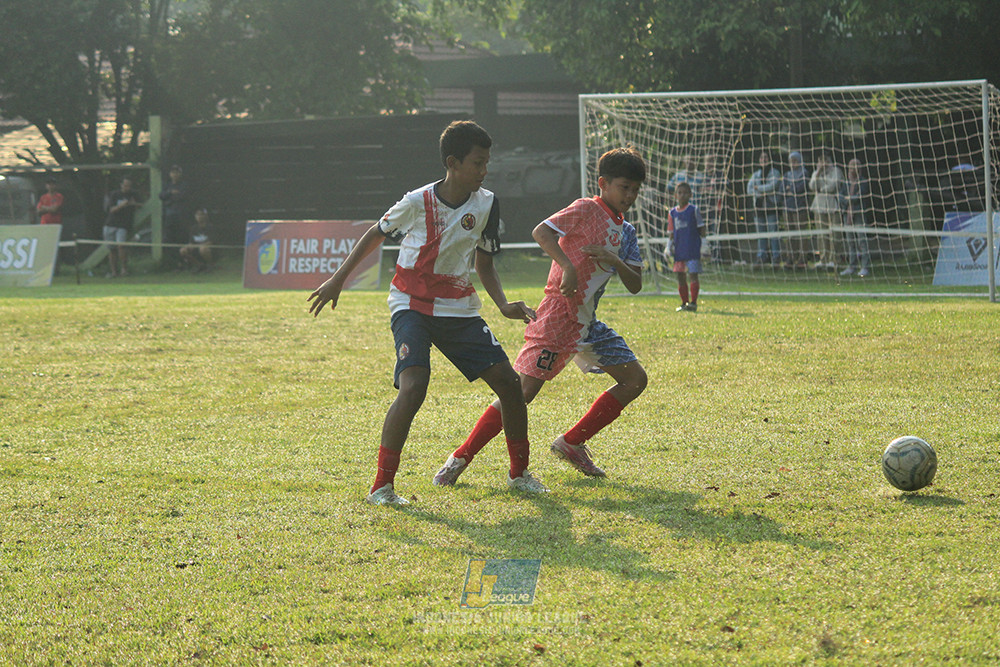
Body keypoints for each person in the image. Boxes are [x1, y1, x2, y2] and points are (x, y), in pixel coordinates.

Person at [308, 120, 545, 506]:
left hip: (458, 308)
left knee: (509, 384)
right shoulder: (418, 201)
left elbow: (484, 263)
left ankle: (520, 474)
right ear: (452, 162)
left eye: (487, 163)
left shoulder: (486, 202)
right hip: (411, 304)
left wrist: (503, 304)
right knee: (414, 386)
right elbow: (375, 233)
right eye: (478, 163)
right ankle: (381, 487)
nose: (484, 171)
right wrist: (338, 280)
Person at [433, 147, 648, 483]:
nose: (630, 195)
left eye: (635, 190)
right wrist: (567, 266)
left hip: (588, 326)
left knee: (635, 380)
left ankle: (572, 443)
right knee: (519, 396)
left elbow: (635, 283)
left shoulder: (628, 233)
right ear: (603, 183)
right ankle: (459, 459)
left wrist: (613, 259)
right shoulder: (586, 209)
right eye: (624, 188)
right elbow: (541, 232)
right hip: (557, 320)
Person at [667, 181, 707, 312]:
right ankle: (684, 303)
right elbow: (671, 233)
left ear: (690, 195)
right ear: (675, 195)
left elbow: (701, 229)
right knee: (680, 276)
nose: (682, 195)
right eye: (680, 193)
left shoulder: (694, 210)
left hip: (693, 249)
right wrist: (668, 247)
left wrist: (704, 245)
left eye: (685, 193)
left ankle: (693, 303)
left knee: (693, 274)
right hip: (679, 250)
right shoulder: (672, 213)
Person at [745, 151, 782, 266]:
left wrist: (758, 188)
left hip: (771, 206)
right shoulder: (756, 174)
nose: (763, 159)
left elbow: (773, 186)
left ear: (769, 159)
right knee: (760, 233)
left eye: (766, 157)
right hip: (759, 207)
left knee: (773, 232)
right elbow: (749, 189)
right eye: (761, 157)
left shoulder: (775, 172)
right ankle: (762, 256)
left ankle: (776, 257)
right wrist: (762, 191)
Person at [809, 152, 842, 270]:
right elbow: (812, 186)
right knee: (822, 233)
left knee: (834, 233)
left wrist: (823, 188)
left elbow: (834, 185)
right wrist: (818, 174)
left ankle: (834, 259)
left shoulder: (836, 171)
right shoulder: (815, 173)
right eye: (821, 161)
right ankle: (823, 259)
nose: (823, 163)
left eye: (826, 160)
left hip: (832, 204)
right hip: (819, 204)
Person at [840, 158, 871, 277]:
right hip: (846, 214)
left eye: (856, 166)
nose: (853, 168)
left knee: (862, 240)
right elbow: (841, 196)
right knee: (850, 241)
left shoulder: (863, 182)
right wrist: (846, 200)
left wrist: (850, 199)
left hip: (859, 214)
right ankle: (851, 266)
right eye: (851, 166)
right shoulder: (846, 182)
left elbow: (860, 196)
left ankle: (865, 267)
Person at [103, 176, 139, 278]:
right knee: (112, 249)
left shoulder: (133, 194)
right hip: (111, 224)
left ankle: (124, 270)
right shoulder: (115, 194)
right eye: (125, 185)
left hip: (123, 225)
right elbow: (111, 209)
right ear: (121, 185)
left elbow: (141, 204)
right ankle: (114, 271)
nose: (127, 187)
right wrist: (121, 205)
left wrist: (134, 204)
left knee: (121, 247)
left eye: (129, 186)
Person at [159, 164, 192, 270]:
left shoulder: (184, 185)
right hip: (169, 217)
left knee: (182, 239)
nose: (175, 174)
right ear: (170, 174)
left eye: (177, 172)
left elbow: (182, 196)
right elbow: (161, 195)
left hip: (181, 217)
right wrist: (170, 193)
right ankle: (177, 262)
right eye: (173, 172)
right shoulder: (167, 186)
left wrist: (171, 197)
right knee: (168, 240)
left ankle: (186, 261)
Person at [781, 151, 811, 269]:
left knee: (801, 233)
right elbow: (783, 189)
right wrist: (789, 190)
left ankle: (802, 258)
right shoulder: (787, 175)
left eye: (795, 161)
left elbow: (800, 188)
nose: (793, 164)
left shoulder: (804, 173)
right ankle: (790, 258)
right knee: (789, 234)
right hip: (787, 207)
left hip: (800, 207)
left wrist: (791, 189)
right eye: (791, 161)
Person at [179, 207, 213, 273]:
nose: (199, 216)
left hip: (208, 249)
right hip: (196, 248)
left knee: (203, 249)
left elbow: (211, 241)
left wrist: (199, 246)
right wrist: (188, 246)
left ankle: (210, 266)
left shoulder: (210, 227)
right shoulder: (194, 228)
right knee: (182, 250)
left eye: (201, 214)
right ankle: (199, 265)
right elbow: (191, 242)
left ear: (205, 216)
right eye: (197, 214)